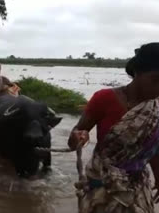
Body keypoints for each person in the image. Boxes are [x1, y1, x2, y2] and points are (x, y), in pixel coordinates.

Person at [68, 43, 159, 213]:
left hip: (138, 187)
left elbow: (153, 146)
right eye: (155, 79)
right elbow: (74, 139)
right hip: (102, 186)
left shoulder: (156, 106)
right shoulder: (104, 98)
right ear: (137, 72)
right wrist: (78, 137)